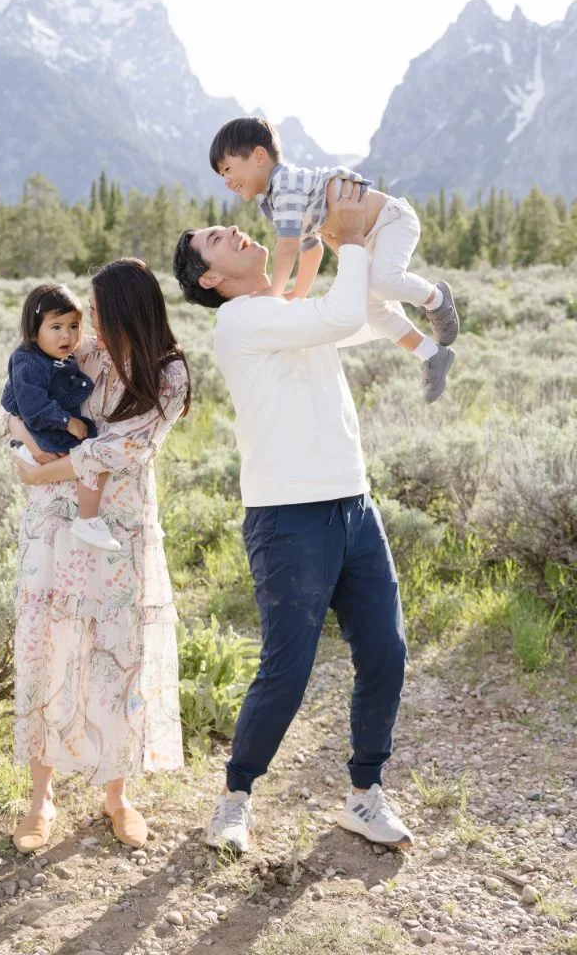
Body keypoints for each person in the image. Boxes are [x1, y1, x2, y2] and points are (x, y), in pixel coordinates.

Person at [172, 181, 412, 854]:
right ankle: (233, 800)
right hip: (288, 517)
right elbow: (337, 317)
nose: (237, 233)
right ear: (212, 277)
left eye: (229, 226)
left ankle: (365, 795)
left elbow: (352, 319)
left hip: (352, 502)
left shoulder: (284, 310)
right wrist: (353, 237)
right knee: (287, 668)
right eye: (219, 240)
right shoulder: (239, 320)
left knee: (386, 652)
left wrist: (407, 297)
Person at [0, 258, 190, 854]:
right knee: (46, 648)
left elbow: (121, 451)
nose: (88, 323)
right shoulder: (83, 353)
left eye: (99, 311)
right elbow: (14, 398)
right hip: (55, 527)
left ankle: (116, 795)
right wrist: (20, 444)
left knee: (118, 652)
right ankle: (40, 798)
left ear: (129, 309)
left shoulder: (168, 373)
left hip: (121, 530)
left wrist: (43, 472)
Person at [209, 116, 459, 403]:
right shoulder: (274, 202)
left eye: (228, 169)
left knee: (384, 282)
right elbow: (311, 249)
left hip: (390, 220)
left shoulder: (286, 186)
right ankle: (432, 354)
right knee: (370, 307)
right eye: (222, 176)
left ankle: (435, 297)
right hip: (365, 238)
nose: (227, 181)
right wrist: (297, 295)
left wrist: (274, 292)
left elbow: (288, 246)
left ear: (259, 157)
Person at [0, 281, 120, 552]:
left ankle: (87, 517)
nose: (66, 336)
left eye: (74, 326)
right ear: (34, 331)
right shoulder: (28, 361)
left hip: (41, 434)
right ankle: (88, 519)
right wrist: (68, 422)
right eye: (56, 327)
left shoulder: (59, 353)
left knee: (95, 448)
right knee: (94, 448)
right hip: (43, 432)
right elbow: (31, 407)